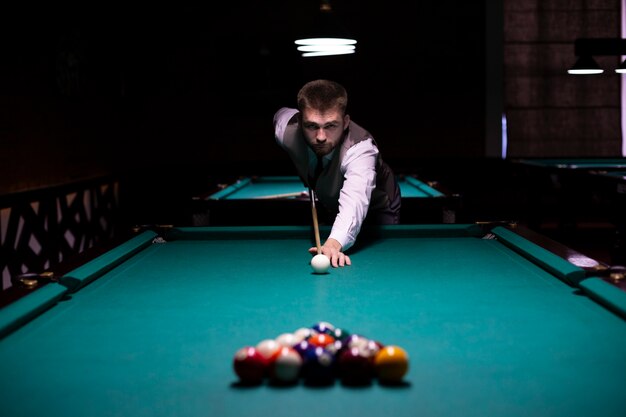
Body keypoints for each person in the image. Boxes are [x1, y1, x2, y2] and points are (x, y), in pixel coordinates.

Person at [273, 79, 400, 268]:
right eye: (312, 126)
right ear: (300, 122)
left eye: (331, 126)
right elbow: (280, 114)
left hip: (378, 207)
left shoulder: (361, 149)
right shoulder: (285, 130)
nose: (321, 137)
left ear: (346, 122)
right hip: (331, 200)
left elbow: (355, 201)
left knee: (385, 261)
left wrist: (334, 243)